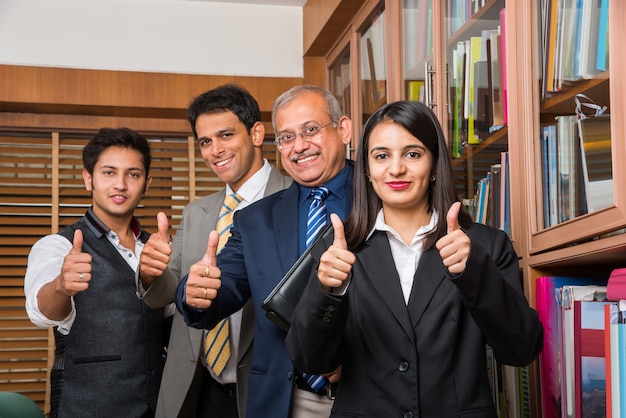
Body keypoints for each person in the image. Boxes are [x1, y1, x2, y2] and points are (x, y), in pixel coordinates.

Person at [285, 100, 544, 417]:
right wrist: (327, 291)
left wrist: (474, 272)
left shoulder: (484, 246)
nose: (396, 168)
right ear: (367, 169)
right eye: (382, 156)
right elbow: (310, 360)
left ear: (434, 164)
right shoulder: (338, 249)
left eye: (412, 154)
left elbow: (522, 349)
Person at [175, 85, 354, 418]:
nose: (299, 146)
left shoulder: (381, 196)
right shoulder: (255, 219)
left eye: (311, 130)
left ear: (343, 129)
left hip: (369, 393)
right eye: (286, 137)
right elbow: (223, 284)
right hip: (285, 400)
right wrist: (194, 291)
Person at [136, 84, 292, 418]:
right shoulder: (197, 212)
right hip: (198, 387)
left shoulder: (295, 199)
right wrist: (150, 272)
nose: (215, 150)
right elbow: (168, 290)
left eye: (225, 135)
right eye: (205, 142)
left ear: (256, 133)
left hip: (267, 390)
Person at [24, 128, 166, 418]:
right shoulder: (58, 245)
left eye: (133, 174)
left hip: (159, 406)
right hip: (87, 407)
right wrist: (62, 286)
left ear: (147, 183)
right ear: (89, 178)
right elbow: (42, 312)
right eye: (109, 173)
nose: (121, 185)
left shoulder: (158, 248)